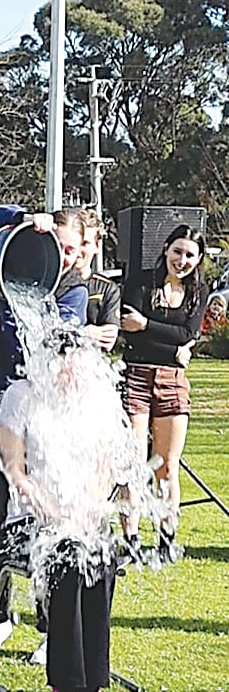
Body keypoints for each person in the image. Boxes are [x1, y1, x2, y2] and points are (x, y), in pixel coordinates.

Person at [0, 206, 90, 651]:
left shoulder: (74, 290)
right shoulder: (21, 260)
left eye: (72, 249)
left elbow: (64, 342)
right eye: (59, 244)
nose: (65, 255)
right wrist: (25, 218)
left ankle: (49, 621)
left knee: (48, 517)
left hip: (40, 419)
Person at [0, 326, 132, 692]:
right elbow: (15, 472)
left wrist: (89, 508)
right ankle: (67, 680)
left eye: (76, 366)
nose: (69, 375)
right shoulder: (20, 397)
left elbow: (105, 467)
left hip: (82, 516)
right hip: (29, 521)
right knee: (68, 557)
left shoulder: (98, 400)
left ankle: (94, 677)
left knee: (101, 556)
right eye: (62, 366)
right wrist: (51, 511)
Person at [120, 223, 208, 557]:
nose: (182, 260)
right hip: (137, 377)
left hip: (172, 383)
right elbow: (131, 330)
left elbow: (188, 330)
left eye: (189, 255)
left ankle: (166, 537)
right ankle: (130, 539)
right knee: (133, 463)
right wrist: (174, 345)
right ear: (166, 250)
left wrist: (150, 326)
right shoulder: (141, 283)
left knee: (167, 465)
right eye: (177, 252)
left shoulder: (198, 293)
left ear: (197, 260)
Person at [78, 208, 121, 353]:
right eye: (75, 242)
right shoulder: (49, 283)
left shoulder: (107, 288)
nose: (77, 250)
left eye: (84, 243)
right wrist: (85, 333)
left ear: (97, 246)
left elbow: (107, 342)